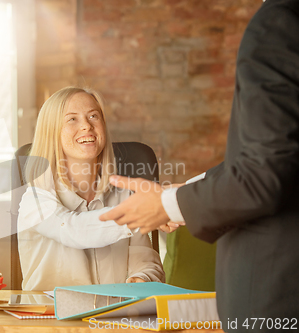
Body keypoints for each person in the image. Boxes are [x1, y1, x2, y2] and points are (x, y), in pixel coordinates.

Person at [100, 0, 299, 331]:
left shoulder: (280, 24)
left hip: (279, 297)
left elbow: (264, 173)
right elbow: (283, 156)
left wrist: (167, 205)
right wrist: (183, 192)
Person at [17, 87, 164, 291]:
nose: (86, 125)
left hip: (113, 317)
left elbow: (147, 262)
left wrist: (141, 279)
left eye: (94, 116)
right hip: (51, 319)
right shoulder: (35, 199)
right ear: (52, 133)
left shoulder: (125, 197)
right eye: (72, 119)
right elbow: (74, 229)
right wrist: (141, 214)